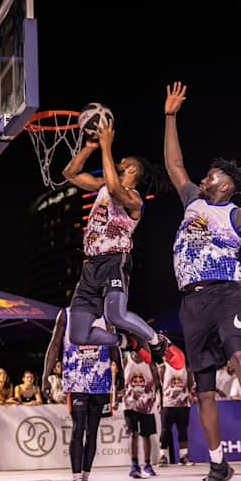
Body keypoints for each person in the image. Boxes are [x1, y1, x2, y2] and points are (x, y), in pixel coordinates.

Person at [164, 81, 241, 481]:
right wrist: (170, 116)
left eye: (211, 174)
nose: (203, 175)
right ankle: (218, 466)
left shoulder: (233, 212)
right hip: (190, 301)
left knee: (238, 351)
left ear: (226, 183)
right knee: (204, 389)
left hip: (224, 293)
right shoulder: (191, 201)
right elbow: (174, 163)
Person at [62, 120, 184, 371]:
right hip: (90, 264)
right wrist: (89, 147)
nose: (118, 162)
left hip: (114, 260)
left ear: (131, 170)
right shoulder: (102, 186)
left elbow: (116, 190)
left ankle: (159, 343)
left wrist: (107, 147)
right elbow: (69, 174)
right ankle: (127, 341)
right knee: (78, 334)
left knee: (115, 315)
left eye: (122, 162)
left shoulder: (134, 199)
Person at [42, 307, 124, 481]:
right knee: (78, 429)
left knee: (92, 432)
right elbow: (55, 345)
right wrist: (46, 375)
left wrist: (119, 369)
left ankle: (85, 480)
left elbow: (114, 344)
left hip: (100, 380)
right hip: (76, 380)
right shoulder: (67, 314)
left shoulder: (106, 316)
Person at [123, 350, 160, 479]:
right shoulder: (126, 360)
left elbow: (157, 382)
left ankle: (148, 465)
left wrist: (159, 400)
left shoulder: (149, 362)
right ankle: (134, 465)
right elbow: (118, 378)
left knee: (146, 435)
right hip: (130, 404)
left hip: (147, 404)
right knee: (133, 433)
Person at [157, 358, 195, 467]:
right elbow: (159, 386)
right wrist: (159, 401)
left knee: (182, 430)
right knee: (165, 431)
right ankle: (163, 456)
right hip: (168, 403)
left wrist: (191, 394)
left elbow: (190, 382)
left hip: (183, 403)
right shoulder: (163, 367)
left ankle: (183, 457)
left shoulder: (186, 367)